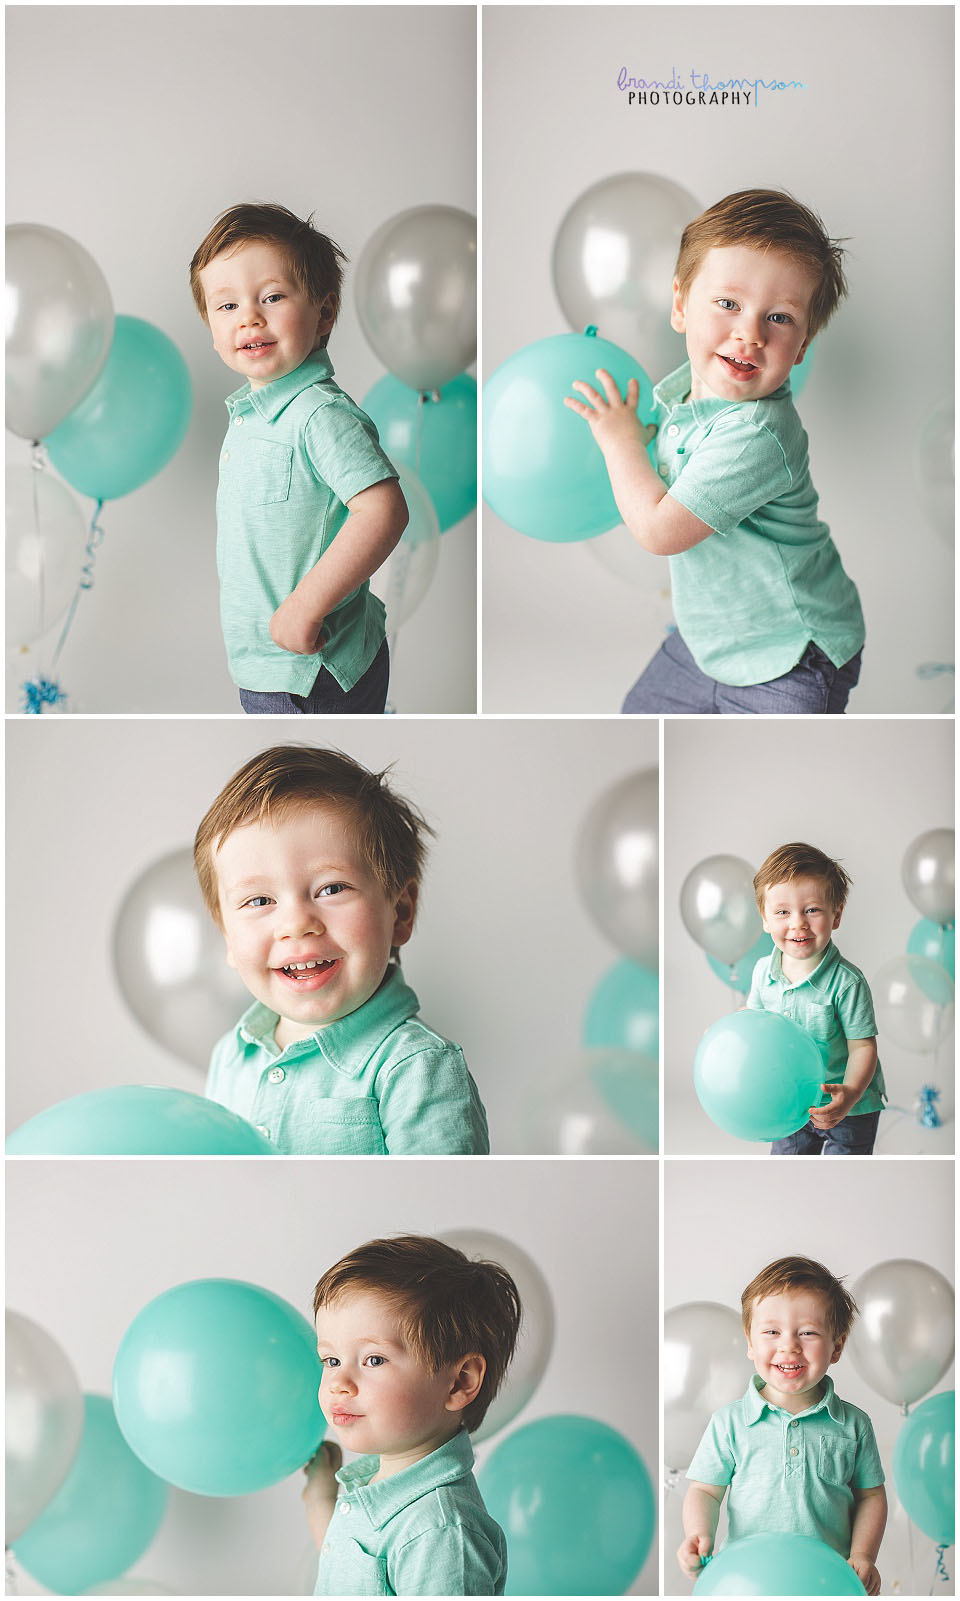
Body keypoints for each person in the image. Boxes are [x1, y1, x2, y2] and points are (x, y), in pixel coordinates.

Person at [563, 189, 865, 714]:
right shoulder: (681, 393)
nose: (749, 333)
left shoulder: (757, 433)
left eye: (780, 318)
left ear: (804, 344)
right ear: (680, 306)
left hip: (790, 649)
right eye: (728, 304)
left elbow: (659, 532)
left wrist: (619, 439)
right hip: (710, 638)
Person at [194, 745, 489, 1154]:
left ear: (400, 912)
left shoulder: (417, 1066)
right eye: (259, 901)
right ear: (227, 937)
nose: (296, 923)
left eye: (331, 889)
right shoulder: (230, 1056)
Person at [190, 203, 407, 714]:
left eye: (272, 296)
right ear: (211, 330)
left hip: (310, 666)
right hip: (269, 662)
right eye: (226, 307)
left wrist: (307, 606)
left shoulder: (318, 414)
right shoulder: (254, 415)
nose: (249, 316)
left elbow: (383, 510)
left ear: (324, 313)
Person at [303, 1235, 521, 1596]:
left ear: (458, 1383)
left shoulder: (441, 1533)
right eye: (331, 1360)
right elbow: (352, 1571)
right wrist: (320, 1498)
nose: (338, 1383)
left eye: (374, 1360)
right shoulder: (383, 1490)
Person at [678, 1256, 886, 1595]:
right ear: (749, 1342)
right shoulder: (730, 1423)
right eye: (772, 1331)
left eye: (807, 1332)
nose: (788, 1344)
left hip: (824, 1582)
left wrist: (863, 1554)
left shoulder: (853, 1424)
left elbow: (872, 1496)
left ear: (837, 1345)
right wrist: (698, 1535)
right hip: (747, 1582)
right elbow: (705, 1491)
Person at [749, 843, 885, 1155]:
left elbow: (863, 1047)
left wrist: (848, 1094)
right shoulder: (762, 972)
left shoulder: (847, 982)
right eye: (782, 912)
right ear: (765, 919)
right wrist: (725, 1035)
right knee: (790, 1173)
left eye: (812, 909)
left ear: (836, 916)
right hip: (792, 1101)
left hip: (849, 1106)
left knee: (842, 1178)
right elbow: (754, 1026)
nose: (798, 922)